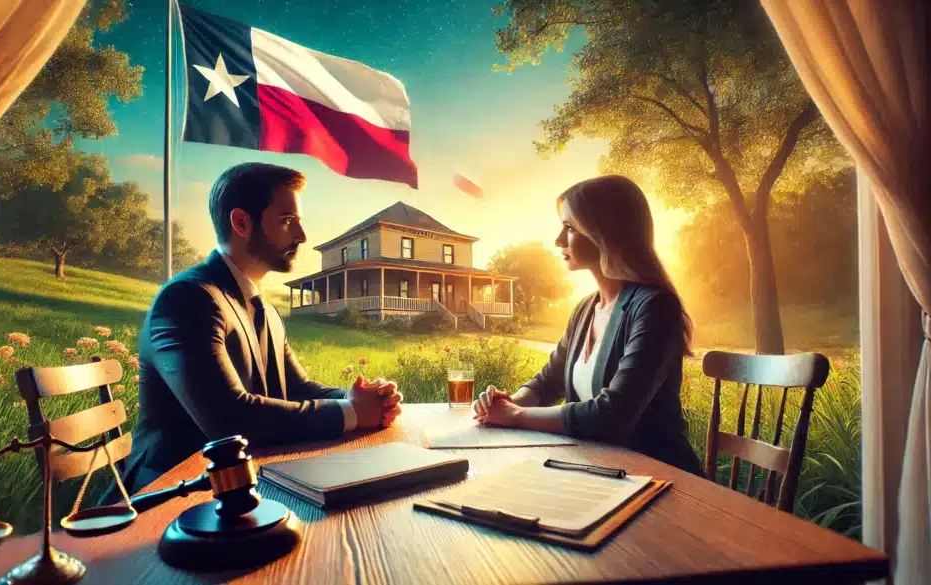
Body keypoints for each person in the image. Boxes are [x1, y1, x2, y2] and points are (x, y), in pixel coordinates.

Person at [116, 162, 404, 495]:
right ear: (241, 222)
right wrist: (351, 413)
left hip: (242, 483)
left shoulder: (262, 307)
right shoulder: (186, 299)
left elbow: (298, 388)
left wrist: (366, 399)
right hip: (173, 493)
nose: (302, 236)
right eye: (286, 221)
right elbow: (231, 420)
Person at [472, 175, 703, 476]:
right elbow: (547, 382)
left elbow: (613, 414)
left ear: (604, 232)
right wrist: (508, 402)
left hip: (660, 479)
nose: (558, 240)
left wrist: (516, 415)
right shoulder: (584, 309)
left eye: (569, 228)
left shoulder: (654, 307)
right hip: (602, 471)